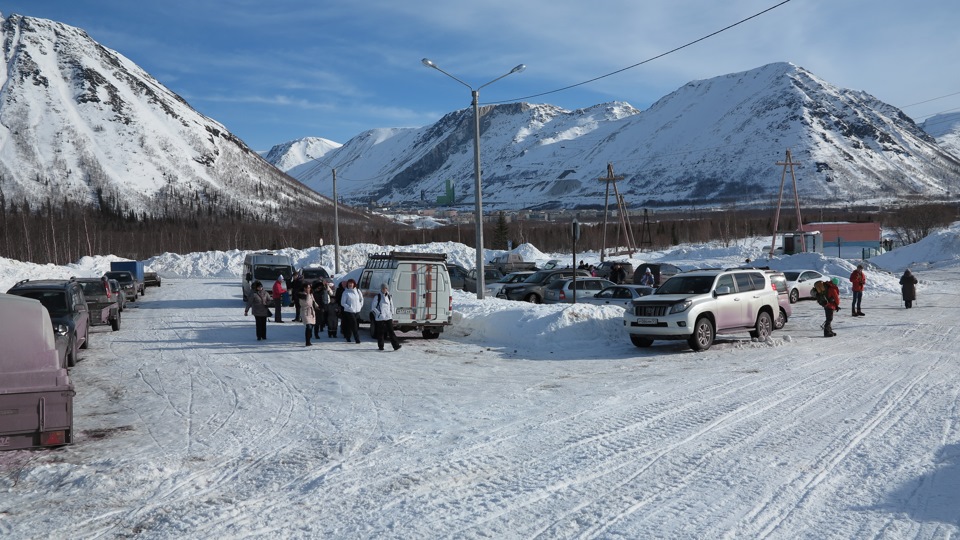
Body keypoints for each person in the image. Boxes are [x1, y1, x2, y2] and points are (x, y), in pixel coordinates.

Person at [371, 283, 402, 351]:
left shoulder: (389, 296)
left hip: (388, 316)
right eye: (383, 288)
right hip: (380, 317)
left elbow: (392, 305)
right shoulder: (377, 296)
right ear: (381, 289)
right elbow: (373, 307)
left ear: (387, 289)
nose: (384, 289)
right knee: (381, 332)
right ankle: (381, 346)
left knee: (391, 331)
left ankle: (396, 346)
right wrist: (379, 313)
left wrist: (392, 313)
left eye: (385, 288)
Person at [340, 279, 363, 344]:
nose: (350, 285)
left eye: (351, 283)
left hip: (357, 311)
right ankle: (357, 339)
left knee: (350, 325)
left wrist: (360, 306)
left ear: (354, 284)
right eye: (349, 283)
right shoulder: (346, 292)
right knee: (354, 324)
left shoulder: (358, 291)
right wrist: (349, 307)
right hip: (349, 311)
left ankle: (348, 336)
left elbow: (361, 299)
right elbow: (343, 303)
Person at [298, 282, 320, 346]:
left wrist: (316, 306)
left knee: (312, 325)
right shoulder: (302, 295)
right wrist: (307, 294)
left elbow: (313, 300)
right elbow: (306, 303)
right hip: (305, 311)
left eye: (309, 288)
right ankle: (307, 342)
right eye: (307, 288)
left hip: (311, 311)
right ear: (304, 288)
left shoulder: (311, 294)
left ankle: (309, 337)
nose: (309, 289)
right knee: (308, 326)